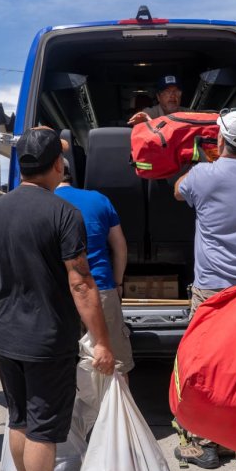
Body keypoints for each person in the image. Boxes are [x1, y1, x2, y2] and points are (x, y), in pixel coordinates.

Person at [0, 127, 115, 471]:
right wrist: (102, 341)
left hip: (5, 335)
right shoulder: (64, 213)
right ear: (58, 165)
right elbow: (81, 283)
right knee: (43, 429)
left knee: (19, 419)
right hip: (47, 338)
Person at [169, 108, 236, 469]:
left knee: (204, 365)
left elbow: (178, 192)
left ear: (220, 140)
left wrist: (198, 158)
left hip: (210, 291)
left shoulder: (202, 175)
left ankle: (202, 443)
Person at [55, 158, 135, 376]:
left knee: (63, 367)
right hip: (100, 289)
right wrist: (117, 284)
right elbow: (120, 247)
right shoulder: (98, 200)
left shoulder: (45, 202)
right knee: (115, 364)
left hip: (58, 295)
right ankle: (115, 410)